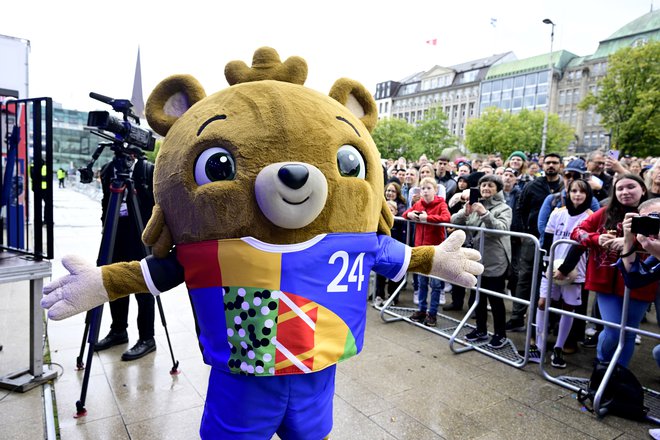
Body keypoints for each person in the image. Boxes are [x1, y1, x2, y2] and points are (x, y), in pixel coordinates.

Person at [571, 174, 656, 368]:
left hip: (641, 280)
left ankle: (619, 374)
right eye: (619, 188)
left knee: (629, 332)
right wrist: (595, 239)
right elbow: (577, 232)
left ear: (643, 189)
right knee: (613, 329)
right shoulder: (603, 213)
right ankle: (602, 365)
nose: (625, 192)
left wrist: (630, 241)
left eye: (630, 187)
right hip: (606, 282)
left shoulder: (653, 212)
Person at [95, 150, 157, 361]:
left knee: (143, 285)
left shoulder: (146, 170)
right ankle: (118, 330)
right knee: (115, 281)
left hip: (140, 235)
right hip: (115, 234)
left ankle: (147, 338)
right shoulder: (110, 168)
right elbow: (105, 200)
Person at [532, 179, 594, 367]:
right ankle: (540, 346)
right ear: (568, 192)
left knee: (568, 308)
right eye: (573, 190)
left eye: (581, 191)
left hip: (574, 272)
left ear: (587, 195)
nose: (577, 195)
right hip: (551, 268)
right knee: (542, 303)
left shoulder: (590, 216)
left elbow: (583, 246)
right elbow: (548, 240)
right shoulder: (557, 213)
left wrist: (565, 269)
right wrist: (547, 265)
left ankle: (558, 348)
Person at [452, 174, 511, 348]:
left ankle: (500, 334)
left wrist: (484, 214)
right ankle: (481, 330)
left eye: (490, 186)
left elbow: (501, 229)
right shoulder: (475, 203)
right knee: (477, 295)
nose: (486, 188)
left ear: (497, 189)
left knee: (495, 298)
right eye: (483, 185)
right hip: (476, 258)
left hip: (495, 260)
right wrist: (466, 211)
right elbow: (454, 220)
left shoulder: (503, 208)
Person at [507, 153, 563, 332]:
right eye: (548, 163)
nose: (551, 166)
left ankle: (551, 320)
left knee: (554, 279)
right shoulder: (533, 185)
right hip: (533, 239)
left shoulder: (567, 187)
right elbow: (521, 208)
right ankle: (517, 317)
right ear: (542, 165)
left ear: (560, 165)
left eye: (554, 163)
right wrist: (525, 232)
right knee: (526, 277)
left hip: (558, 241)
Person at [403, 177, 451, 327]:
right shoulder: (418, 203)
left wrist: (428, 218)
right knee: (421, 282)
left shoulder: (441, 203)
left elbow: (446, 218)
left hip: (436, 249)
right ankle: (422, 309)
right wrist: (410, 215)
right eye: (423, 188)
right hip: (420, 248)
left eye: (428, 188)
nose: (425, 191)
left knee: (436, 284)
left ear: (435, 190)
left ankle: (433, 313)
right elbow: (406, 214)